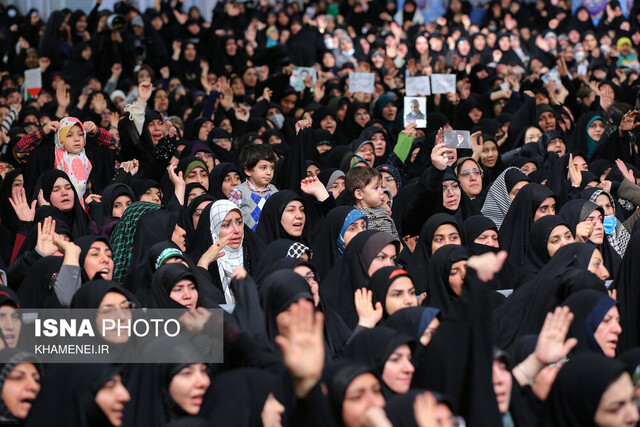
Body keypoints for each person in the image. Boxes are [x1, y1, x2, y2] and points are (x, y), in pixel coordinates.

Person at [228, 144, 278, 231]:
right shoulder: (238, 192)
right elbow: (231, 218)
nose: (269, 172)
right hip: (247, 240)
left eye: (272, 168)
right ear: (248, 170)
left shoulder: (275, 192)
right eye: (263, 168)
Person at [345, 166, 398, 238]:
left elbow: (395, 235)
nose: (381, 191)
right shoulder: (356, 217)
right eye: (376, 188)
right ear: (359, 194)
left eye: (380, 187)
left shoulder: (383, 211)